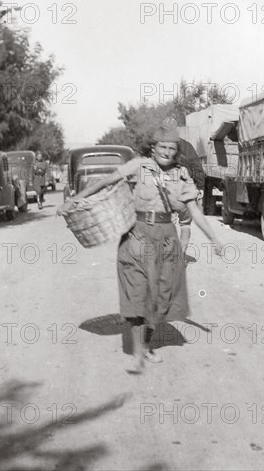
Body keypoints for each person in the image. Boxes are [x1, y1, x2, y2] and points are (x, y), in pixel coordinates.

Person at [59, 126, 223, 374]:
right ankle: (137, 354)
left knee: (159, 296)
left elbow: (195, 212)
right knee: (137, 293)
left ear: (177, 151)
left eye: (172, 148)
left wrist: (214, 239)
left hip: (166, 238)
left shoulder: (182, 175)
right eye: (162, 147)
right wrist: (74, 199)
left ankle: (146, 344)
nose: (167, 152)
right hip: (137, 235)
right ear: (153, 148)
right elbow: (106, 181)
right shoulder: (139, 166)